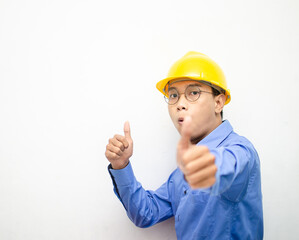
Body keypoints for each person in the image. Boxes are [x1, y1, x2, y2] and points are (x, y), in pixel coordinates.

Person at [105, 51, 263, 239]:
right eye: (173, 95)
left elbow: (225, 166)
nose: (180, 104)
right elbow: (145, 214)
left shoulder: (241, 151)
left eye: (193, 93)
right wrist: (121, 165)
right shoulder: (180, 176)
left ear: (218, 102)